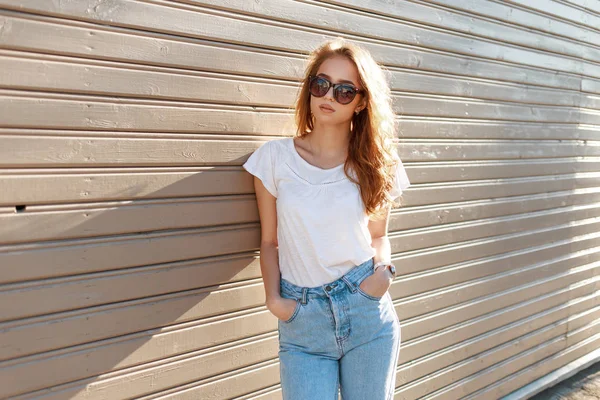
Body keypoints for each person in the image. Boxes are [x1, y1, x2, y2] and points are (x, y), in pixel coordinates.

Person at [242, 37, 410, 400]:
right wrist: (274, 301)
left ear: (362, 102)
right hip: (303, 322)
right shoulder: (274, 160)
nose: (329, 96)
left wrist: (383, 274)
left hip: (366, 311)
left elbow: (378, 236)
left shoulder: (377, 165)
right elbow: (270, 241)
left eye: (345, 90)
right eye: (321, 84)